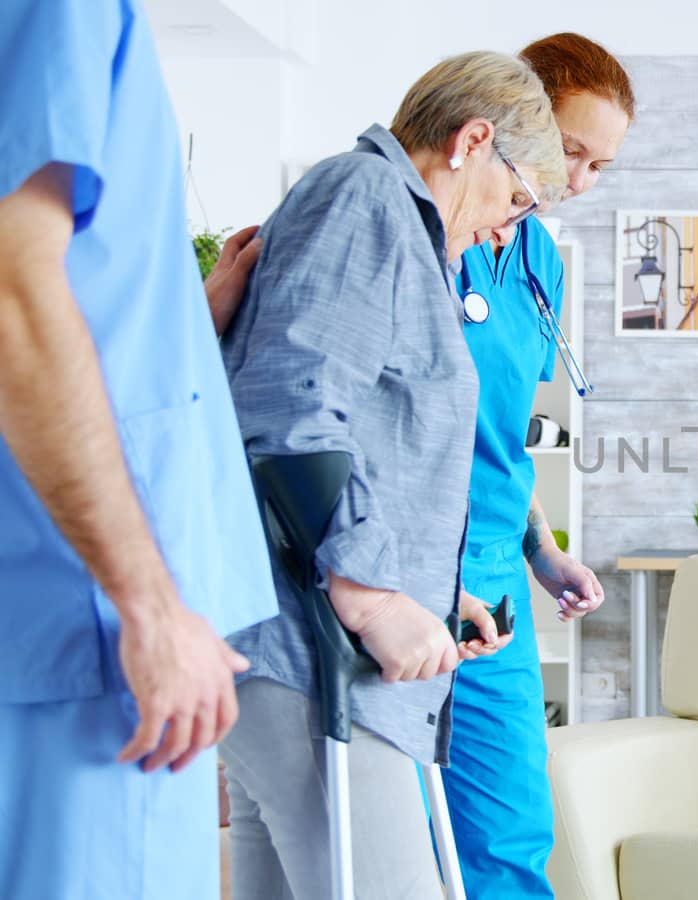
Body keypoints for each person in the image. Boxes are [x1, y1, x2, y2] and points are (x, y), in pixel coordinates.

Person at [216, 51, 566, 900]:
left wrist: (429, 595)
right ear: (473, 141)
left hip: (298, 653)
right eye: (518, 200)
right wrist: (372, 600)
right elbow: (293, 413)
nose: (507, 231)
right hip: (312, 662)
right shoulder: (367, 198)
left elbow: (369, 436)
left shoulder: (398, 229)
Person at [0, 0, 279, 896]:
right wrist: (151, 608)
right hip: (88, 625)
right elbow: (16, 298)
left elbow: (86, 302)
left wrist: (189, 314)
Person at [442, 33, 634, 900]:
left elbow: (503, 434)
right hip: (412, 571)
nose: (580, 182)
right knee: (396, 841)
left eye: (600, 166)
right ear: (515, 119)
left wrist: (542, 549)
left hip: (497, 581)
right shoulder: (433, 230)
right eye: (571, 151)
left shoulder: (540, 258)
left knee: (513, 838)